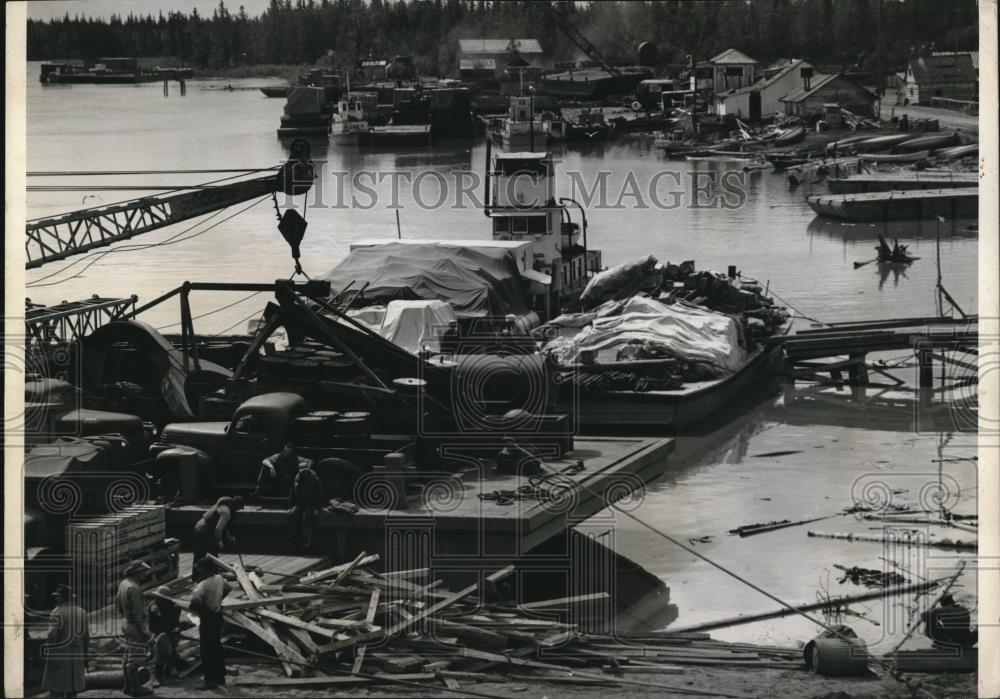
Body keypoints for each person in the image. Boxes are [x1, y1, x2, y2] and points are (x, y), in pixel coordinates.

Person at [189, 558, 231, 689]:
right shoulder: (219, 578)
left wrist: (204, 609)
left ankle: (209, 681)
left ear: (205, 569)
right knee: (217, 647)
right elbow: (229, 587)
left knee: (206, 650)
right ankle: (220, 677)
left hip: (208, 618)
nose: (198, 571)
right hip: (217, 615)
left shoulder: (203, 584)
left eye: (200, 569)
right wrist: (218, 600)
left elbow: (194, 602)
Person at [41, 584, 89, 698]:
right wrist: (85, 655)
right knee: (73, 687)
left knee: (56, 687)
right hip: (77, 654)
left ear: (62, 597)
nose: (56, 599)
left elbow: (52, 634)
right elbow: (86, 636)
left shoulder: (57, 612)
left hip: (60, 654)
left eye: (58, 596)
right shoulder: (82, 612)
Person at [116, 561, 154, 697]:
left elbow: (117, 603)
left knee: (127, 656)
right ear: (137, 573)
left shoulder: (123, 583)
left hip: (126, 622)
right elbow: (138, 613)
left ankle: (127, 685)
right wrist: (145, 632)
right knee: (135, 659)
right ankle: (136, 688)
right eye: (143, 571)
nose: (145, 574)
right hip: (135, 626)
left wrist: (123, 617)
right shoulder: (135, 589)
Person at [191, 495, 244, 574]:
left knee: (211, 554)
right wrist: (219, 542)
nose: (238, 510)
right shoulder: (226, 513)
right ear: (236, 505)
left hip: (201, 526)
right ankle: (198, 576)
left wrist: (229, 537)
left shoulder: (225, 502)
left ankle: (210, 575)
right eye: (239, 508)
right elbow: (218, 528)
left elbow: (223, 527)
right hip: (203, 530)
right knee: (202, 554)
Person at [147, 587, 183, 687]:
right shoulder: (152, 607)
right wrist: (165, 626)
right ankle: (170, 665)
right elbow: (152, 628)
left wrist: (159, 615)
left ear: (165, 600)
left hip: (172, 636)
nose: (156, 600)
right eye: (156, 597)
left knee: (162, 639)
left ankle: (158, 677)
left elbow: (171, 626)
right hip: (158, 635)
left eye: (159, 598)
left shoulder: (175, 608)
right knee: (161, 639)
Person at [287, 459, 325, 549]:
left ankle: (306, 540)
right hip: (300, 503)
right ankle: (291, 538)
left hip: (311, 503)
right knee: (292, 515)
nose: (303, 473)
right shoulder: (296, 479)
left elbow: (320, 495)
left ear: (308, 470)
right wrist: (290, 507)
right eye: (302, 471)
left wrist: (317, 509)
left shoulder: (315, 479)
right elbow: (292, 494)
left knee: (306, 516)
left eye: (305, 471)